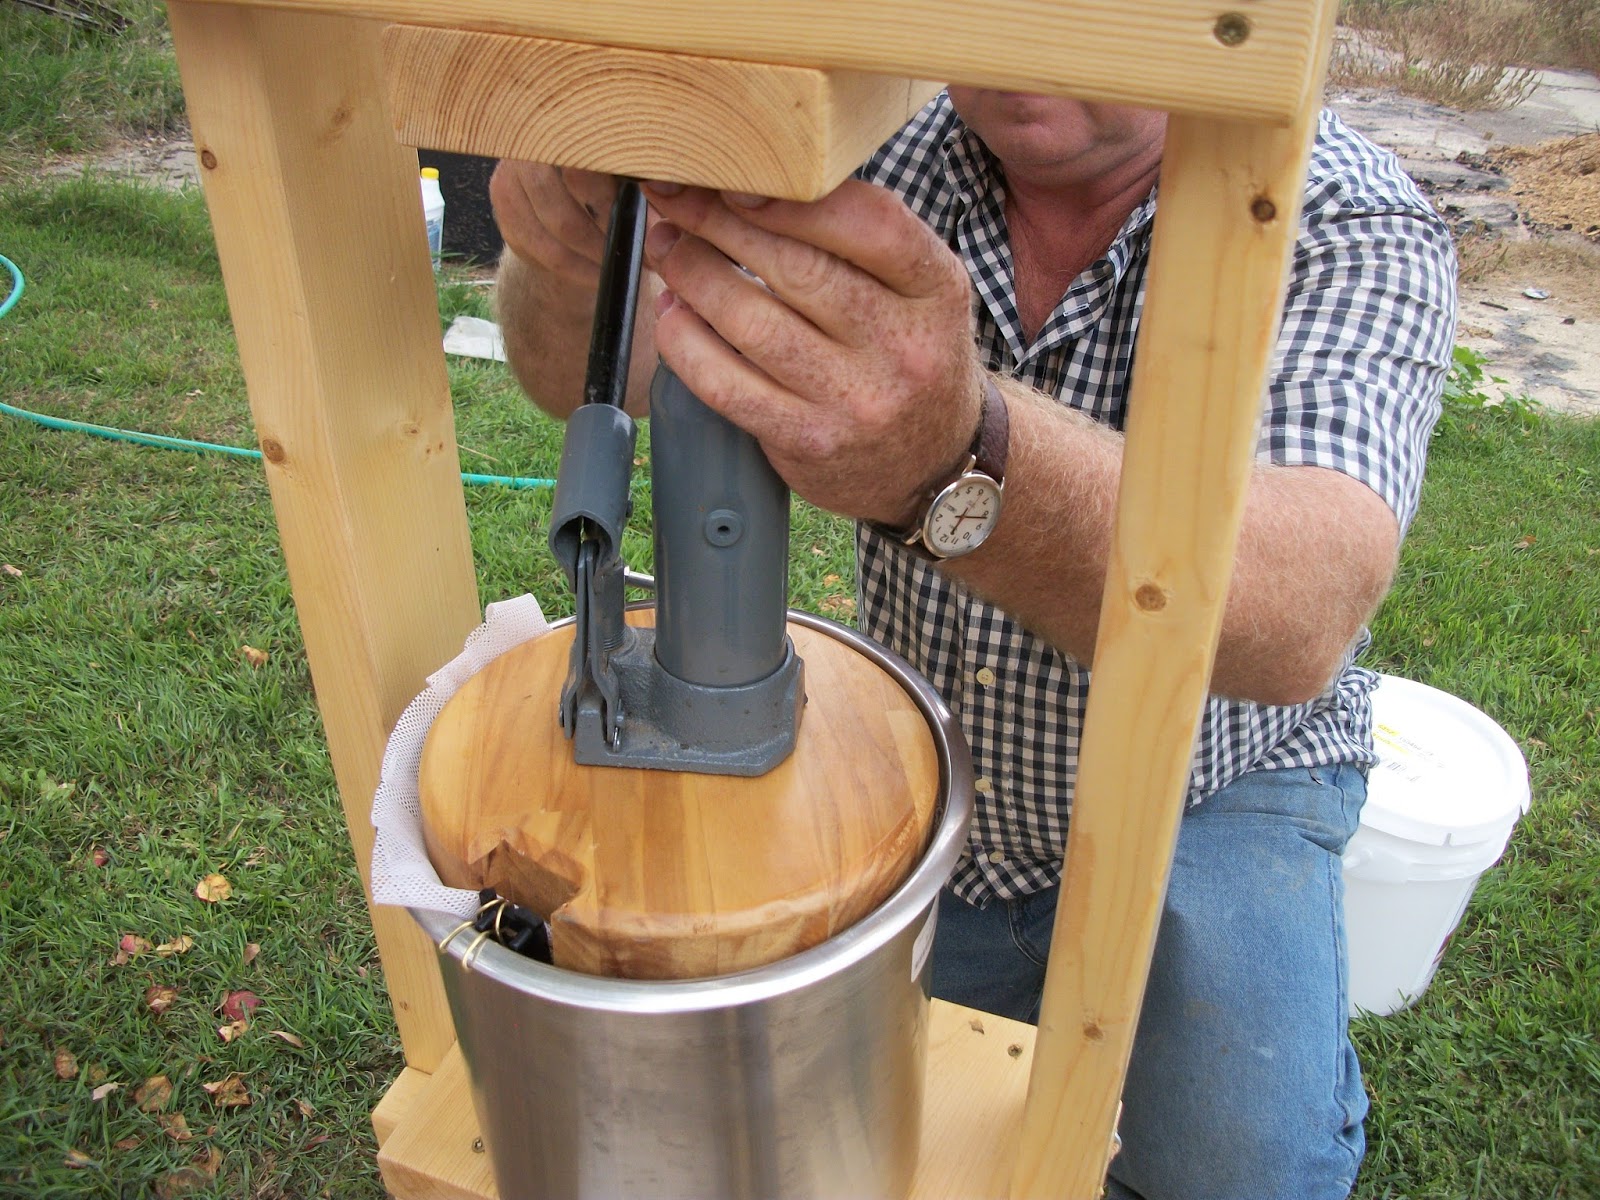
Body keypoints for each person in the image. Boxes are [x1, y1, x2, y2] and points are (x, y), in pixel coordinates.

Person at [489, 88, 1457, 1200]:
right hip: (933, 762)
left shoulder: (1336, 214)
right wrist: (571, 265)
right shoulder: (855, 145)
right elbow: (592, 379)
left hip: (1213, 782)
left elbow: (1296, 616)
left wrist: (958, 454)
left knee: (1237, 1170)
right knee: (831, 1132)